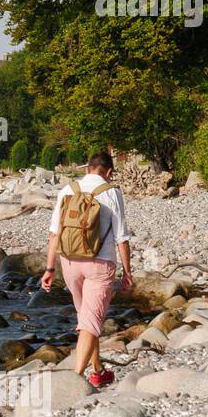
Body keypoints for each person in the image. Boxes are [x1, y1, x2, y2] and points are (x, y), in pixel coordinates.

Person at [42, 151, 132, 386]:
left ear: (87, 169)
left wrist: (50, 269)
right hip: (100, 265)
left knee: (86, 319)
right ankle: (75, 382)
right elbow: (121, 238)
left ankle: (98, 371)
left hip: (69, 262)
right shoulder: (111, 192)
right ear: (109, 172)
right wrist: (127, 272)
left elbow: (54, 233)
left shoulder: (67, 190)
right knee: (90, 323)